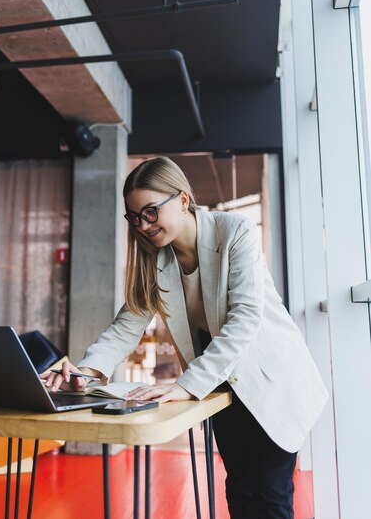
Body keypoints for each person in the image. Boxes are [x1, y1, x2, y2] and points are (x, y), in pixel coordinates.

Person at [42, 156, 328, 519]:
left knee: (270, 496)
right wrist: (84, 371)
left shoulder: (235, 230)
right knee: (239, 490)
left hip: (272, 379)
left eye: (150, 211)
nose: (142, 225)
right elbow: (125, 329)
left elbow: (245, 319)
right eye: (134, 216)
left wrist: (184, 384)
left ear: (181, 199)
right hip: (223, 384)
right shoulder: (155, 259)